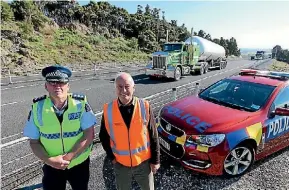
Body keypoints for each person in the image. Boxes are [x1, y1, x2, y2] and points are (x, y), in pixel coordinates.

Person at [23, 64, 96, 190]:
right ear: (46, 86)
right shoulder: (37, 107)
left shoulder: (80, 103)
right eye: (52, 82)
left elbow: (89, 134)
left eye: (61, 82)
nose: (57, 85)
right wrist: (50, 160)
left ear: (68, 86)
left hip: (78, 163)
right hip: (51, 165)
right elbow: (34, 142)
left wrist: (68, 157)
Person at [99, 72, 160, 190]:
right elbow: (103, 136)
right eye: (119, 87)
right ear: (115, 88)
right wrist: (112, 157)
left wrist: (155, 160)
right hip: (121, 165)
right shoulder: (108, 110)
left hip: (143, 163)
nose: (123, 90)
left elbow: (153, 135)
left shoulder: (145, 106)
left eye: (127, 86)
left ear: (134, 88)